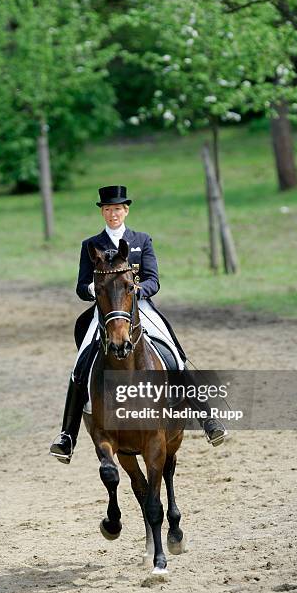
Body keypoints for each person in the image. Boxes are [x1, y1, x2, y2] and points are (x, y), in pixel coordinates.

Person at [50, 185, 227, 463]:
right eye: (108, 209)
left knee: (174, 355)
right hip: (106, 312)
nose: (113, 214)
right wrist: (95, 292)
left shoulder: (141, 240)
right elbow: (81, 285)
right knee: (80, 364)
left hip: (139, 307)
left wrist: (136, 292)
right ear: (102, 212)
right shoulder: (90, 245)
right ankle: (67, 436)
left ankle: (208, 419)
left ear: (126, 210)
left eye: (117, 209)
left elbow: (154, 279)